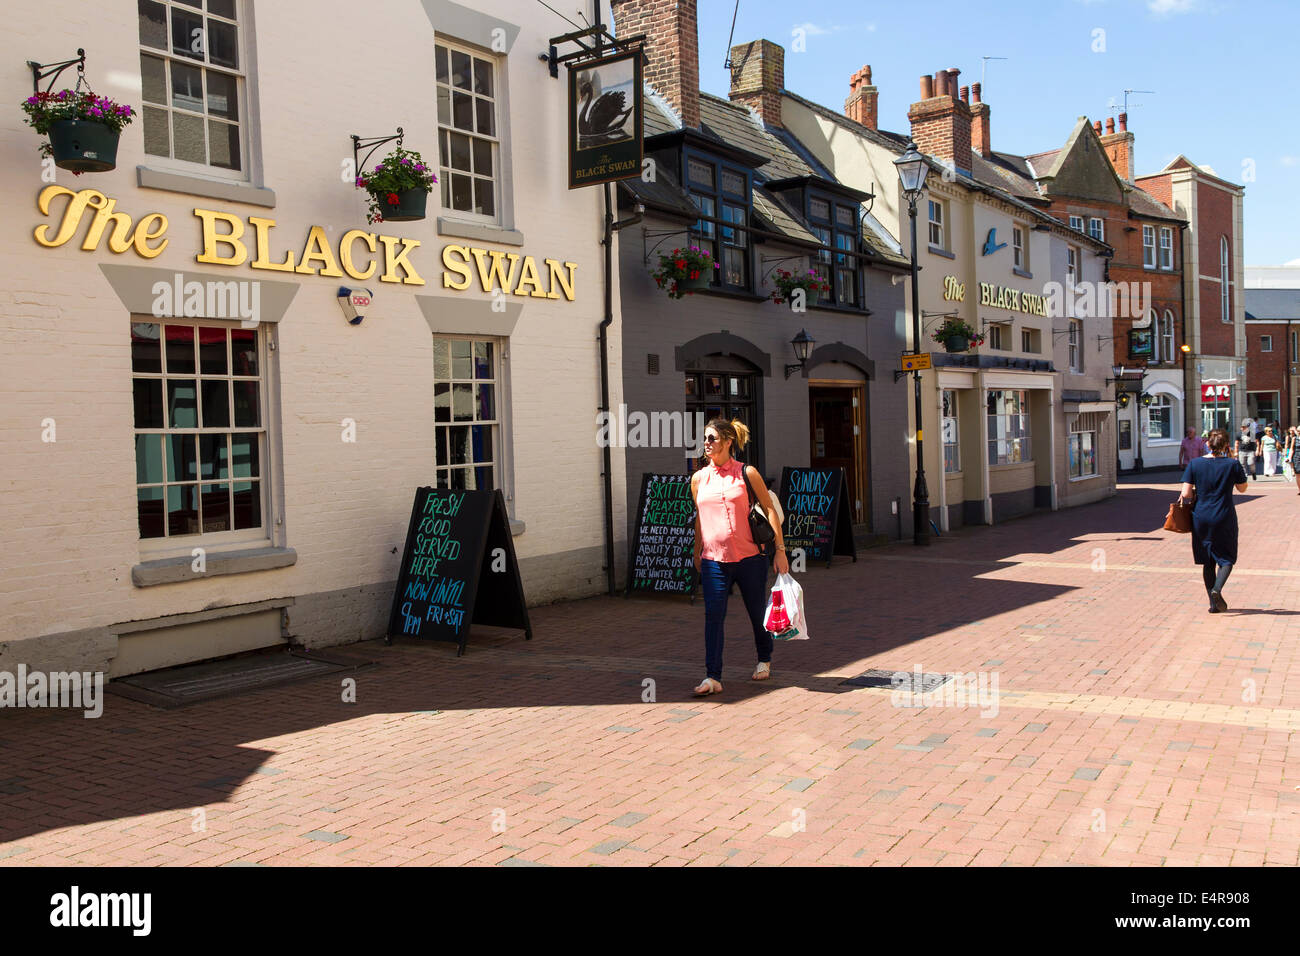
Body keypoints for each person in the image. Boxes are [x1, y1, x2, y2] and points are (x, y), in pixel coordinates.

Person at [690, 419, 788, 696]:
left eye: (712, 438)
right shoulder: (698, 479)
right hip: (713, 561)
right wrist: (697, 551)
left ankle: (764, 658)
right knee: (713, 616)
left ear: (728, 441)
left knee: (757, 613)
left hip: (750, 558)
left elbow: (769, 510)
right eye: (705, 439)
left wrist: (779, 551)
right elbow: (700, 518)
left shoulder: (747, 473)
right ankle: (713, 677)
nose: (706, 443)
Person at [1180, 428, 1248, 613]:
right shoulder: (1232, 464)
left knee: (1207, 561)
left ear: (1207, 444)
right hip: (1224, 516)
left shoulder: (1195, 464)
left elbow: (1186, 493)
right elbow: (1242, 489)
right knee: (1226, 559)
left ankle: (1212, 603)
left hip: (1201, 516)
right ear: (1226, 445)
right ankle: (1217, 589)